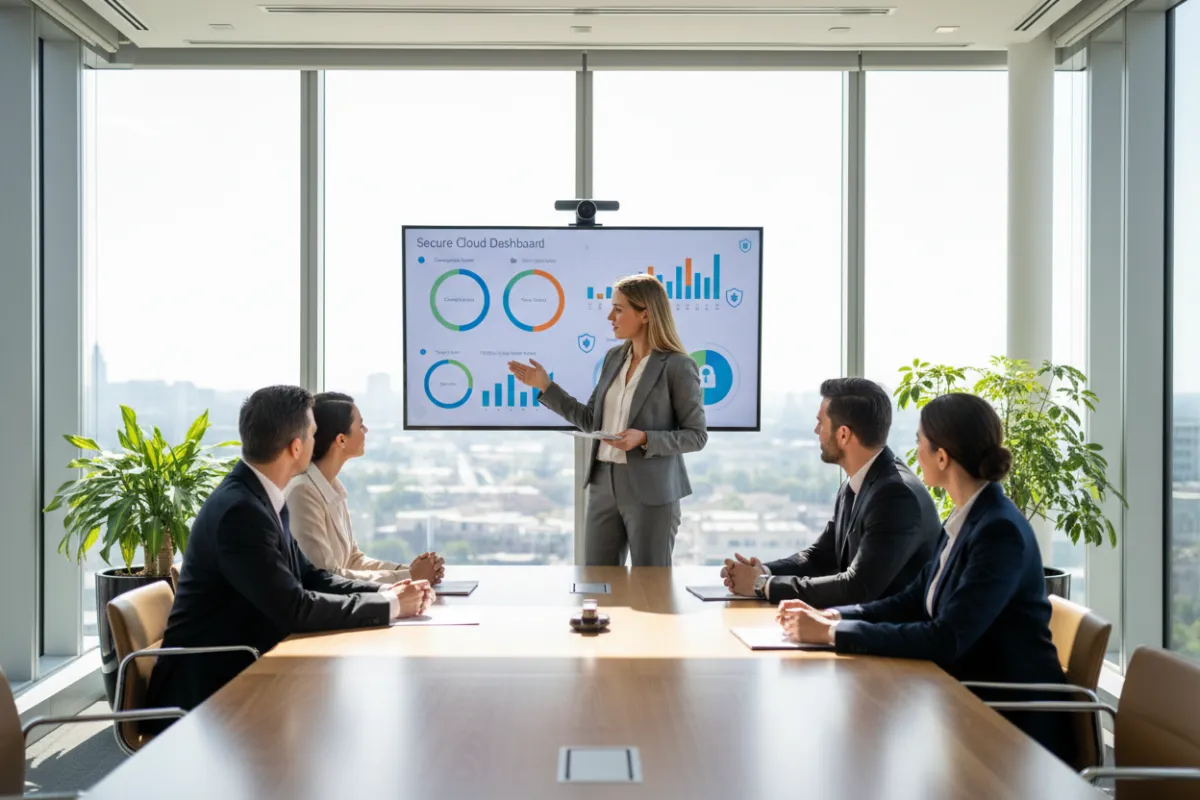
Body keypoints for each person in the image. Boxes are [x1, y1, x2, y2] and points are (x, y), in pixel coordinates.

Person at [777, 392, 1069, 759]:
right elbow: (914, 599)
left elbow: (946, 637)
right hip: (961, 697)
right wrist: (835, 616)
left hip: (1009, 723)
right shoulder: (966, 518)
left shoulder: (999, 532)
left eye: (920, 443)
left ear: (942, 457)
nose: (914, 454)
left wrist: (833, 633)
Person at [144, 386, 434, 720]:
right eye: (313, 433)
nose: (316, 441)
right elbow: (293, 607)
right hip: (211, 689)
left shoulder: (263, 498)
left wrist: (387, 591)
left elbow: (311, 576)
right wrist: (392, 606)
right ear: (296, 447)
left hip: (247, 664)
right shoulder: (240, 512)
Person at [508, 273, 707, 566]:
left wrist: (645, 438)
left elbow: (696, 435)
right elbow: (591, 420)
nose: (609, 316)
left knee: (648, 587)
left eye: (618, 308)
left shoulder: (678, 366)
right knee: (597, 581)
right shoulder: (614, 358)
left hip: (651, 491)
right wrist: (546, 387)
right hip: (603, 482)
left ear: (645, 314)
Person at [720, 378, 940, 606]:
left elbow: (856, 587)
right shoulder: (857, 484)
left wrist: (762, 585)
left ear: (843, 434)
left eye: (821, 423)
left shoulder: (895, 496)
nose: (816, 430)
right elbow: (820, 556)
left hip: (889, 635)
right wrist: (762, 570)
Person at [286, 392, 444, 585]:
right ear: (341, 440)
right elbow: (326, 575)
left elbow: (353, 560)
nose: (366, 430)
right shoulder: (302, 492)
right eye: (360, 425)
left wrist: (410, 571)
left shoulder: (332, 488)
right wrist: (410, 576)